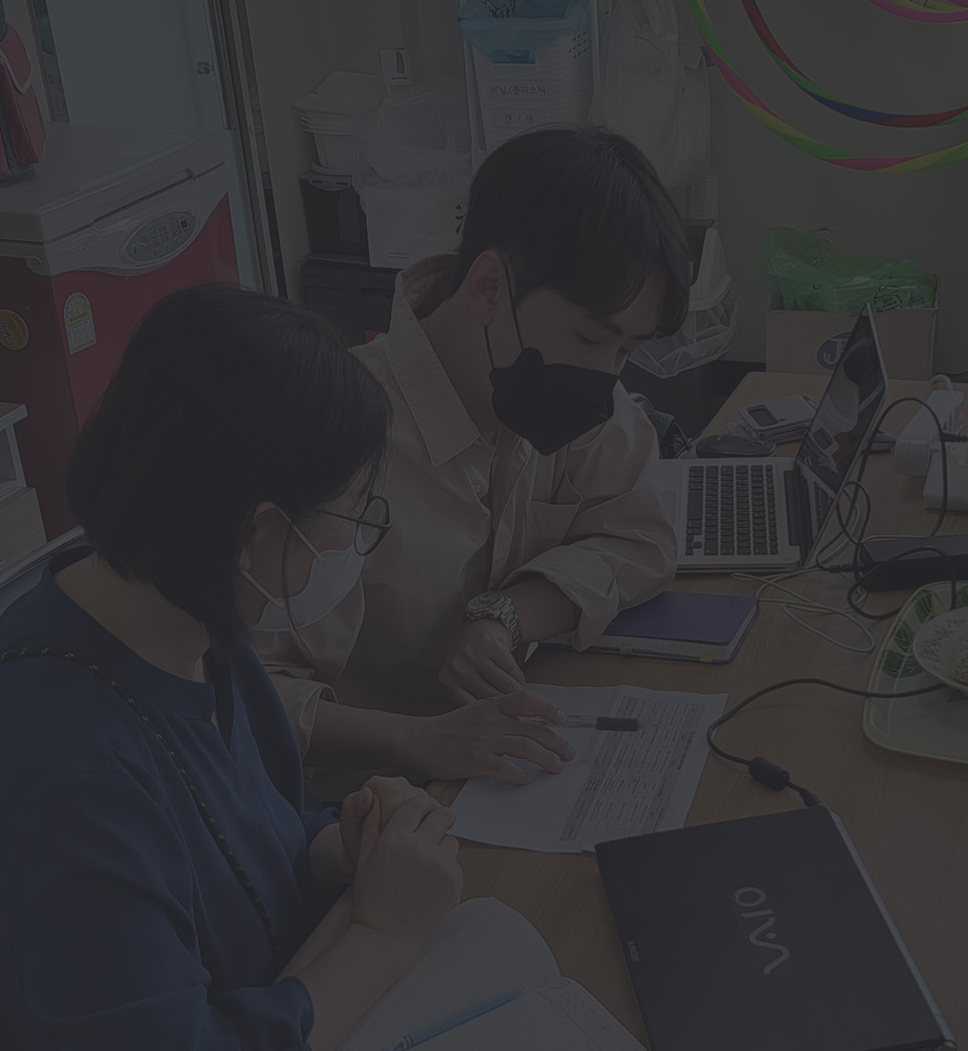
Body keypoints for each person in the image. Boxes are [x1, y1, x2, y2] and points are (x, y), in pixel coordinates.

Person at [0, 287, 464, 1051]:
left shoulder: (192, 621)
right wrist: (385, 937)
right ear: (257, 534)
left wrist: (340, 849)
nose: (354, 545)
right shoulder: (60, 774)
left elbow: (242, 834)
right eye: (351, 516)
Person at [259, 128, 688, 776]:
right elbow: (239, 689)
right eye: (588, 339)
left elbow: (640, 539)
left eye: (626, 350)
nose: (606, 376)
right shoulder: (336, 433)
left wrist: (505, 616)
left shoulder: (569, 392)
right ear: (489, 287)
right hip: (361, 798)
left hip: (495, 764)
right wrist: (416, 741)